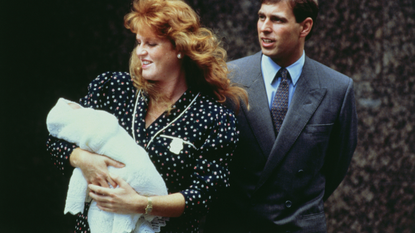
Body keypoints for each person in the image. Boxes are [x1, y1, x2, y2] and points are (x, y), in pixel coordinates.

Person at [46, 0, 247, 232]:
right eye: (139, 42)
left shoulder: (214, 117)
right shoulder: (111, 88)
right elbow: (55, 140)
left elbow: (205, 194)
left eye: (151, 44)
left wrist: (141, 205)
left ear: (180, 48)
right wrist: (83, 160)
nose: (141, 51)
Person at [204, 0, 358, 232]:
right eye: (261, 17)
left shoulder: (337, 88)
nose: (264, 27)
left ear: (304, 27)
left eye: (277, 20)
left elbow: (336, 164)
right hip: (236, 224)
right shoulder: (225, 79)